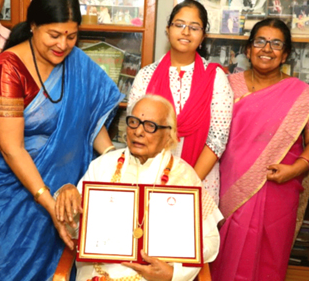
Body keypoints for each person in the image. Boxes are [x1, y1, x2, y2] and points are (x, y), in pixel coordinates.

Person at [0, 0, 123, 281]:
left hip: (70, 193)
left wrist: (114, 161)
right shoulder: (7, 70)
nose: (63, 45)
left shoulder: (78, 63)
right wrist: (50, 203)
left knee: (69, 270)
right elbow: (11, 149)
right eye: (54, 35)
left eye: (71, 36)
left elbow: (91, 121)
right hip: (20, 197)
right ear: (33, 26)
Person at [54, 95, 223, 281]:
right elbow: (75, 230)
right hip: (100, 275)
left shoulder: (184, 176)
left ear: (169, 134)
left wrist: (173, 274)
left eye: (150, 126)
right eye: (133, 122)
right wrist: (67, 197)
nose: (138, 132)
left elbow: (210, 240)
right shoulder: (102, 166)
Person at [211, 18, 309, 281]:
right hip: (227, 192)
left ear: (286, 53)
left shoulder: (302, 94)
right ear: (248, 49)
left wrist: (295, 169)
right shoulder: (226, 86)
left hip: (278, 191)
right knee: (222, 259)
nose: (267, 49)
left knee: (268, 263)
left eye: (276, 44)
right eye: (260, 42)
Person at [127, 0, 233, 204]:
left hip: (201, 181)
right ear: (168, 30)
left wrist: (187, 182)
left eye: (194, 27)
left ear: (203, 36)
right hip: (151, 178)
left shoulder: (216, 77)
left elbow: (218, 139)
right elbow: (135, 131)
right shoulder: (146, 76)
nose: (186, 32)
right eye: (179, 25)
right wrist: (162, 180)